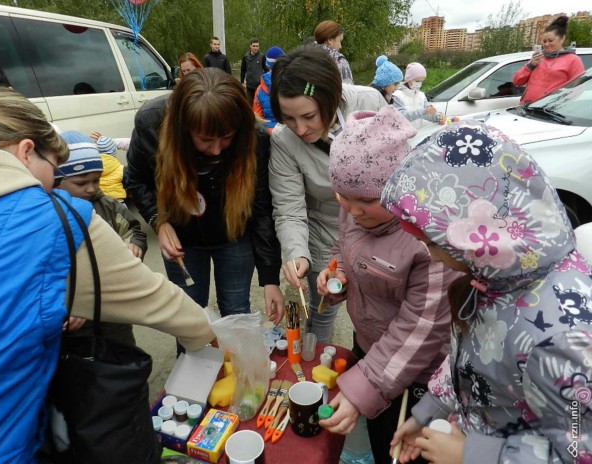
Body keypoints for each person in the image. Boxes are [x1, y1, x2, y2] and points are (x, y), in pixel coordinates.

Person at [0, 56, 215, 462]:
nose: (52, 185)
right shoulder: (55, 219)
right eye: (53, 168)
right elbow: (164, 304)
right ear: (25, 153)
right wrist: (206, 337)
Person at [384, 121, 592, 463]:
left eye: (430, 244)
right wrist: (428, 411)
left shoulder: (562, 342)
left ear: (478, 237)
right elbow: (470, 363)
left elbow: (577, 451)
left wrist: (473, 454)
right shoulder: (495, 280)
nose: (427, 254)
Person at [316, 108, 458, 463]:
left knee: (405, 450)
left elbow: (421, 328)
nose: (353, 210)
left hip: (418, 373)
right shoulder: (353, 206)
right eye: (341, 197)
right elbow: (346, 246)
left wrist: (367, 385)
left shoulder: (428, 240)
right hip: (370, 348)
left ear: (399, 188)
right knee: (380, 440)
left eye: (366, 200)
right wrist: (337, 274)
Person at [268, 45, 387, 343]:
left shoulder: (368, 102)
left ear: (329, 97)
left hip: (380, 232)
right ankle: (314, 370)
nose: (300, 129)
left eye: (309, 116)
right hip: (326, 234)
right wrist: (296, 253)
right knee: (320, 310)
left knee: (380, 314)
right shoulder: (284, 141)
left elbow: (400, 165)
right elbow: (289, 208)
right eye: (289, 118)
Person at [154, 68, 285, 327]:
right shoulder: (152, 124)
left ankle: (238, 368)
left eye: (226, 138)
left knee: (237, 313)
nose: (215, 150)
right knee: (189, 316)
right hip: (183, 239)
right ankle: (192, 367)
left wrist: (270, 278)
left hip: (234, 235)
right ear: (183, 129)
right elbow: (137, 181)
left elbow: (261, 210)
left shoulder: (255, 138)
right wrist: (158, 220)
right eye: (205, 140)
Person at [57, 131, 147, 346]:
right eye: (81, 183)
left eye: (96, 180)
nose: (92, 188)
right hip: (74, 316)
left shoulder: (107, 204)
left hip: (113, 305)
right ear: (58, 181)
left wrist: (134, 245)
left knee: (123, 350)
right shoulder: (53, 215)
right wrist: (70, 304)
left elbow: (134, 230)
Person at [513, 16, 584, 104]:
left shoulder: (573, 60)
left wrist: (558, 104)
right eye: (544, 41)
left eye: (550, 41)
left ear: (562, 38)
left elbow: (577, 90)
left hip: (549, 111)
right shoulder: (538, 57)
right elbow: (517, 81)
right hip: (526, 107)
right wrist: (530, 66)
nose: (546, 44)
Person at [393, 62, 440, 129]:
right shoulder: (397, 95)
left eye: (422, 81)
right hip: (403, 136)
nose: (419, 84)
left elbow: (427, 114)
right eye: (417, 81)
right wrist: (423, 111)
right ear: (408, 79)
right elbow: (401, 117)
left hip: (417, 136)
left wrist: (438, 117)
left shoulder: (421, 95)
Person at [253, 46, 285, 134]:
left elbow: (257, 116)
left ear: (267, 65)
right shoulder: (291, 84)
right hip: (288, 131)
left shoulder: (260, 89)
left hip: (268, 133)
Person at [314, 20, 354, 84]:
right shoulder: (339, 61)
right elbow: (347, 91)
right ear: (330, 40)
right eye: (339, 41)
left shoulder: (303, 58)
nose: (340, 46)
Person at [240, 38, 267, 105]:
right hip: (249, 87)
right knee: (250, 105)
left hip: (259, 86)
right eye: (254, 46)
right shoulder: (246, 57)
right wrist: (242, 82)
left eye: (257, 46)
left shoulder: (262, 56)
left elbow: (266, 70)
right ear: (250, 46)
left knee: (259, 105)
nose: (255, 48)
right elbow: (243, 70)